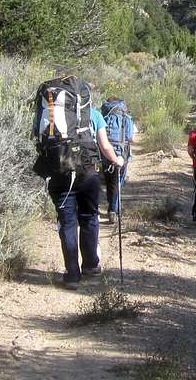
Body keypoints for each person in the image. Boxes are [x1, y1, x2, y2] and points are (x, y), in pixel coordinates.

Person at [47, 100, 124, 290]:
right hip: (88, 172)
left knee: (67, 222)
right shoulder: (94, 114)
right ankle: (90, 265)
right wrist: (117, 160)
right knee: (89, 217)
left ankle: (72, 274)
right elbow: (104, 146)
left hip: (60, 172)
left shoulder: (51, 113)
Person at [99, 98, 136, 223]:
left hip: (104, 153)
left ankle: (112, 207)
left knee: (110, 180)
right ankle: (114, 209)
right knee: (118, 181)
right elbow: (130, 137)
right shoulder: (126, 117)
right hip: (121, 153)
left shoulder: (103, 115)